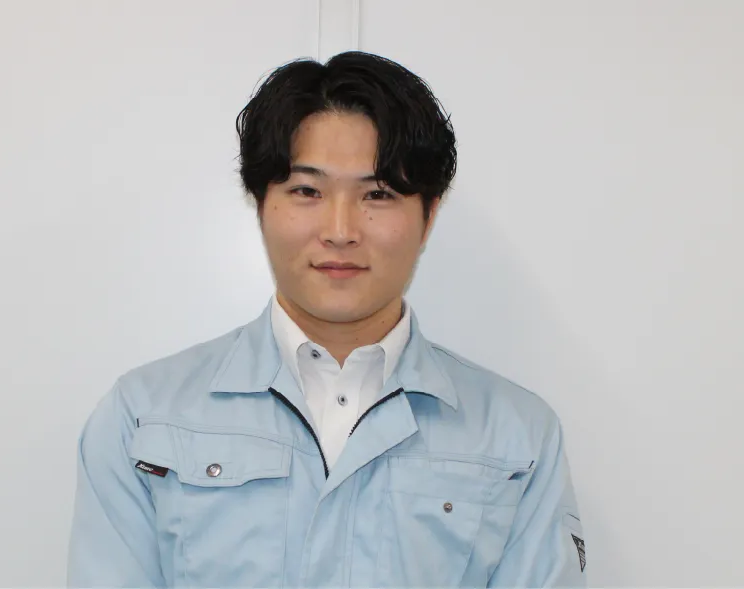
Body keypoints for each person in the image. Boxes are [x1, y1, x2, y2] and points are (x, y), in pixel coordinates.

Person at [67, 51, 586, 588]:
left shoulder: (518, 437)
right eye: (307, 191)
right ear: (260, 203)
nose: (340, 231)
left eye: (378, 194)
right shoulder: (144, 418)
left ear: (429, 215)